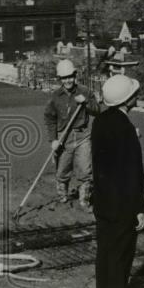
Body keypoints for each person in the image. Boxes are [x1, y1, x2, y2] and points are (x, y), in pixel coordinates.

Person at [91, 74, 144, 288]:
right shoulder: (125, 128)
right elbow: (130, 173)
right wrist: (139, 208)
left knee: (105, 256)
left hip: (103, 201)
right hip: (122, 204)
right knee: (121, 258)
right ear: (127, 100)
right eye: (134, 94)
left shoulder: (101, 121)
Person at [44, 58, 101, 208]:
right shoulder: (55, 96)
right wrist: (53, 140)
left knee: (85, 169)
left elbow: (97, 110)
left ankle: (84, 200)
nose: (68, 80)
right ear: (60, 79)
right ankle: (63, 197)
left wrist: (86, 103)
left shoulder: (85, 91)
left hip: (83, 135)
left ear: (75, 75)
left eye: (70, 76)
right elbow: (49, 118)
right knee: (63, 169)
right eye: (64, 78)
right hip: (64, 137)